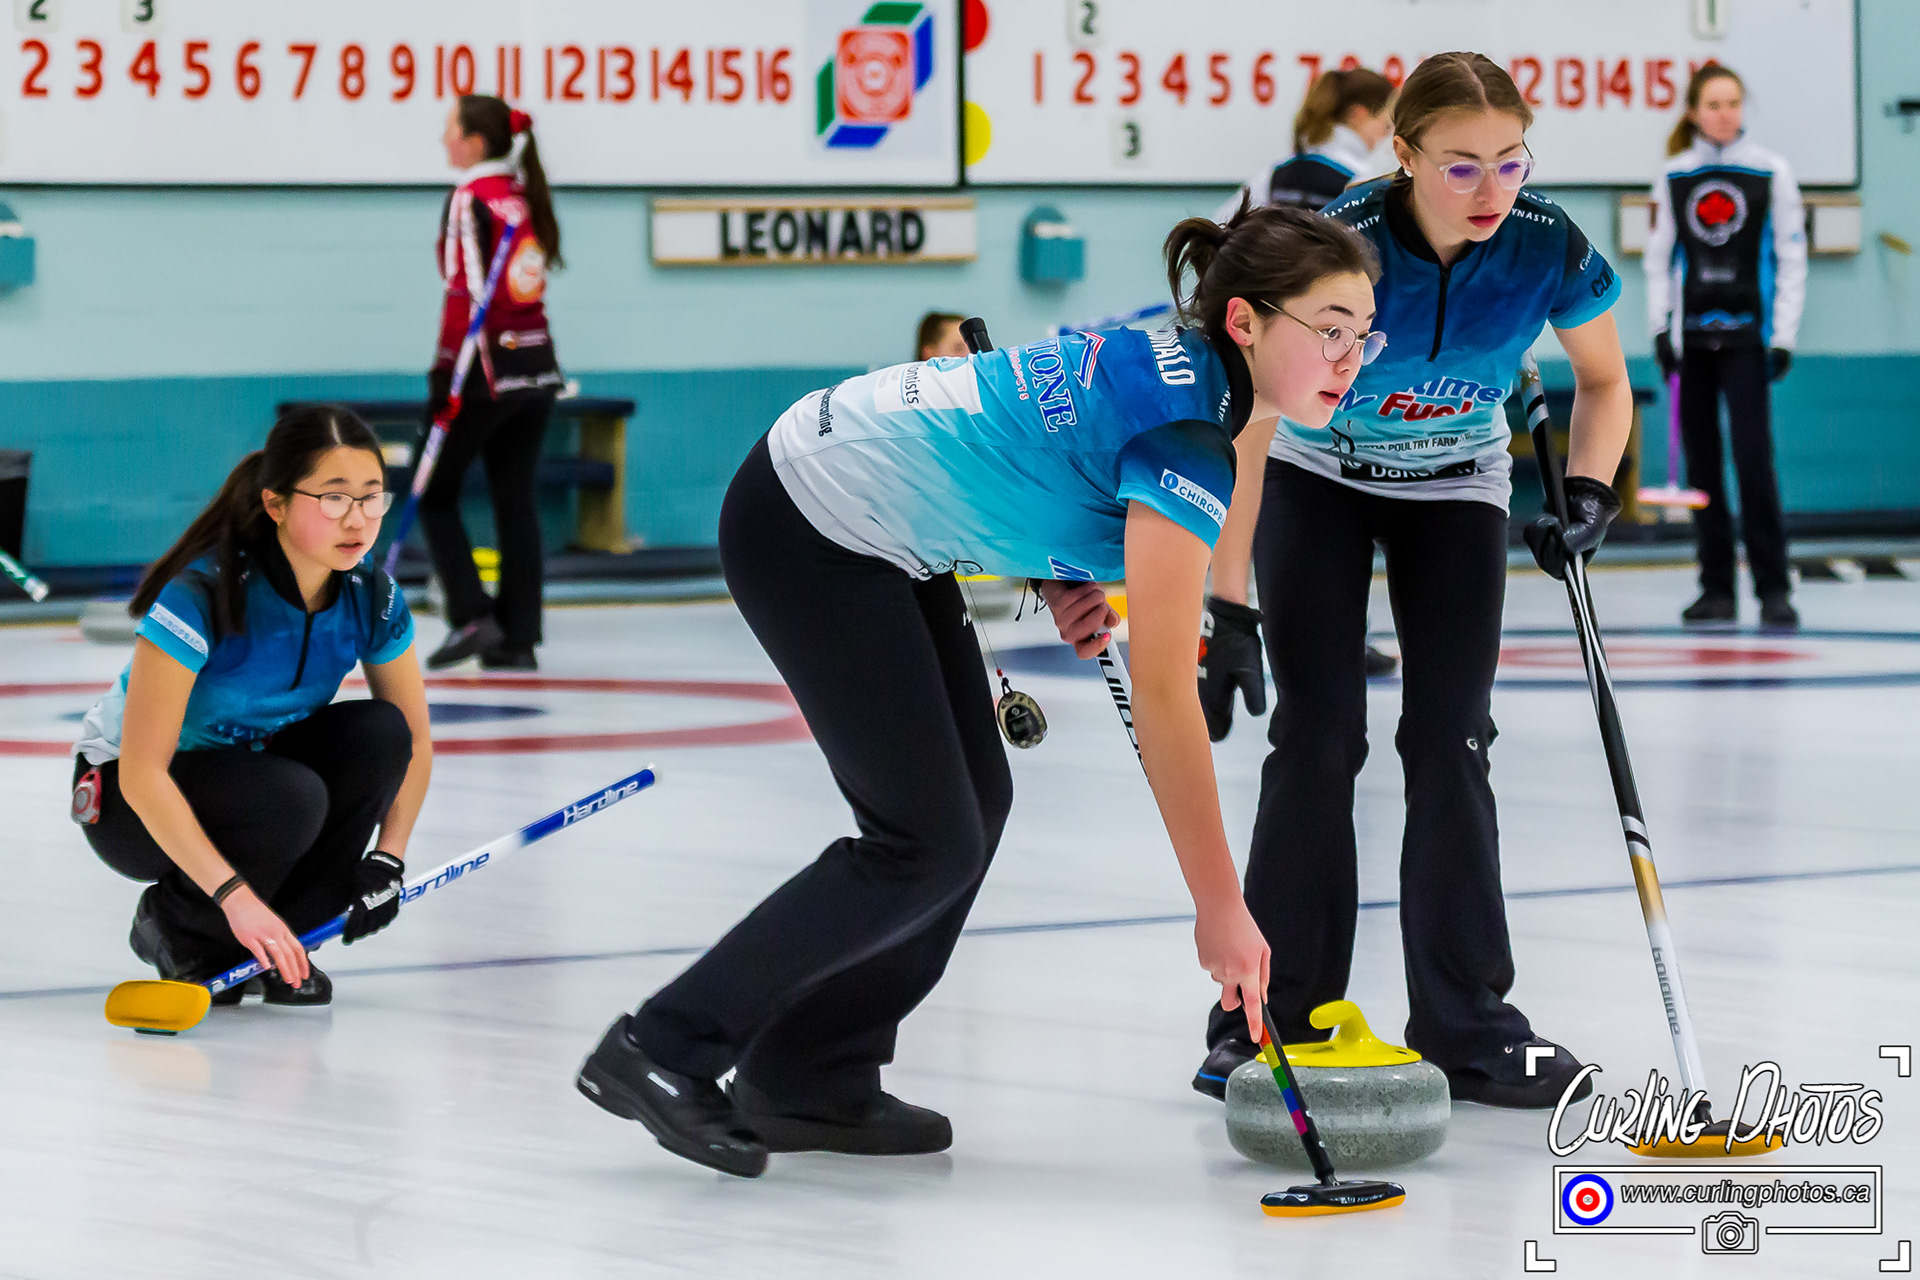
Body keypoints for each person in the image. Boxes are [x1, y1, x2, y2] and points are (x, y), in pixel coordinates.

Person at [574, 204, 1383, 1179]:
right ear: (1246, 321)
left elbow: (1023, 433)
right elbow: (1167, 692)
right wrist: (1222, 905)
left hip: (879, 515)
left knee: (973, 807)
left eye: (1363, 333)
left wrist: (1054, 565)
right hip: (812, 519)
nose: (1351, 358)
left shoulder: (1181, 361)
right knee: (921, 839)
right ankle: (662, 1045)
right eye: (1329, 329)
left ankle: (810, 1072)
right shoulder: (1190, 434)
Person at [1194, 52, 1633, 1110]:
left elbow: (1607, 380)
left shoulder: (1546, 243)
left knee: (1452, 739)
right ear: (1403, 154)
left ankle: (1468, 1022)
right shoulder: (1339, 241)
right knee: (1316, 735)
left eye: (1511, 162)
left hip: (1458, 487)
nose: (1491, 189)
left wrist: (1587, 492)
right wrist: (1228, 601)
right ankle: (1267, 1017)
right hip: (1319, 480)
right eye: (1461, 166)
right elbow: (1252, 423)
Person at [72, 407, 433, 1004]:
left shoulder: (371, 594)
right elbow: (141, 773)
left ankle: (283, 943)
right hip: (126, 799)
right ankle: (181, 925)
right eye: (334, 498)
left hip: (258, 776)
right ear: (276, 504)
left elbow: (414, 740)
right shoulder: (203, 594)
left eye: (371, 498)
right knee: (290, 795)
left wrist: (388, 861)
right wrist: (234, 898)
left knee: (379, 733)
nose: (358, 519)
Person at [1210, 66, 1400, 692]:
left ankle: (1233, 615)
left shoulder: (1274, 175)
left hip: (1268, 358)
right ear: (1363, 116)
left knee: (1250, 479)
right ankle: (1338, 631)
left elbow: (1220, 240)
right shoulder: (1364, 183)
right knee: (1333, 493)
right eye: (1385, 118)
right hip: (1333, 363)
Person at [1646, 63, 1805, 629]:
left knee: (1754, 462)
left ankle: (1774, 589)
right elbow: (1659, 259)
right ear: (1693, 111)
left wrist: (1783, 336)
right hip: (1692, 342)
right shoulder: (1673, 175)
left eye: (1733, 103)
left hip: (1747, 341)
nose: (1724, 114)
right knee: (1702, 468)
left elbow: (1791, 256)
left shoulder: (1771, 171)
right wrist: (1660, 329)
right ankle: (1715, 588)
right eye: (1713, 104)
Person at [421, 95, 565, 672]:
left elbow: (465, 293)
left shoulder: (469, 198)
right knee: (515, 498)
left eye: (450, 130)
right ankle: (518, 638)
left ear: (475, 142)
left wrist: (443, 372)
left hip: (487, 372)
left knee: (433, 491)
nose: (443, 140)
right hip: (539, 365)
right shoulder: (523, 194)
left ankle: (471, 613)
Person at [1214, 66, 1396, 222]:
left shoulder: (1275, 174)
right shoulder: (1362, 180)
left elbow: (1222, 223)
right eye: (1386, 125)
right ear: (1359, 114)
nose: (1387, 135)